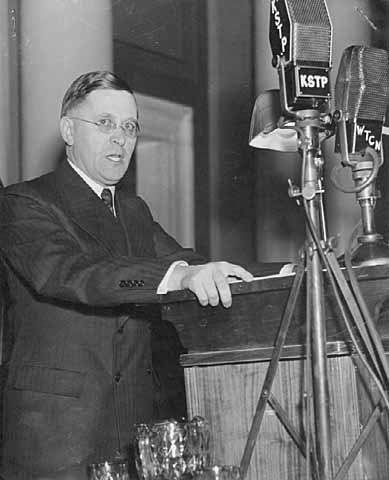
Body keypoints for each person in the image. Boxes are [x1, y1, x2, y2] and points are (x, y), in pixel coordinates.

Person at [0, 71, 253, 480]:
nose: (120, 138)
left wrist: (279, 273)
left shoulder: (134, 210)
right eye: (105, 123)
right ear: (68, 129)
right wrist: (179, 275)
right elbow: (72, 271)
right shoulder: (23, 202)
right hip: (54, 436)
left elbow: (188, 262)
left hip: (132, 431)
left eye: (130, 127)